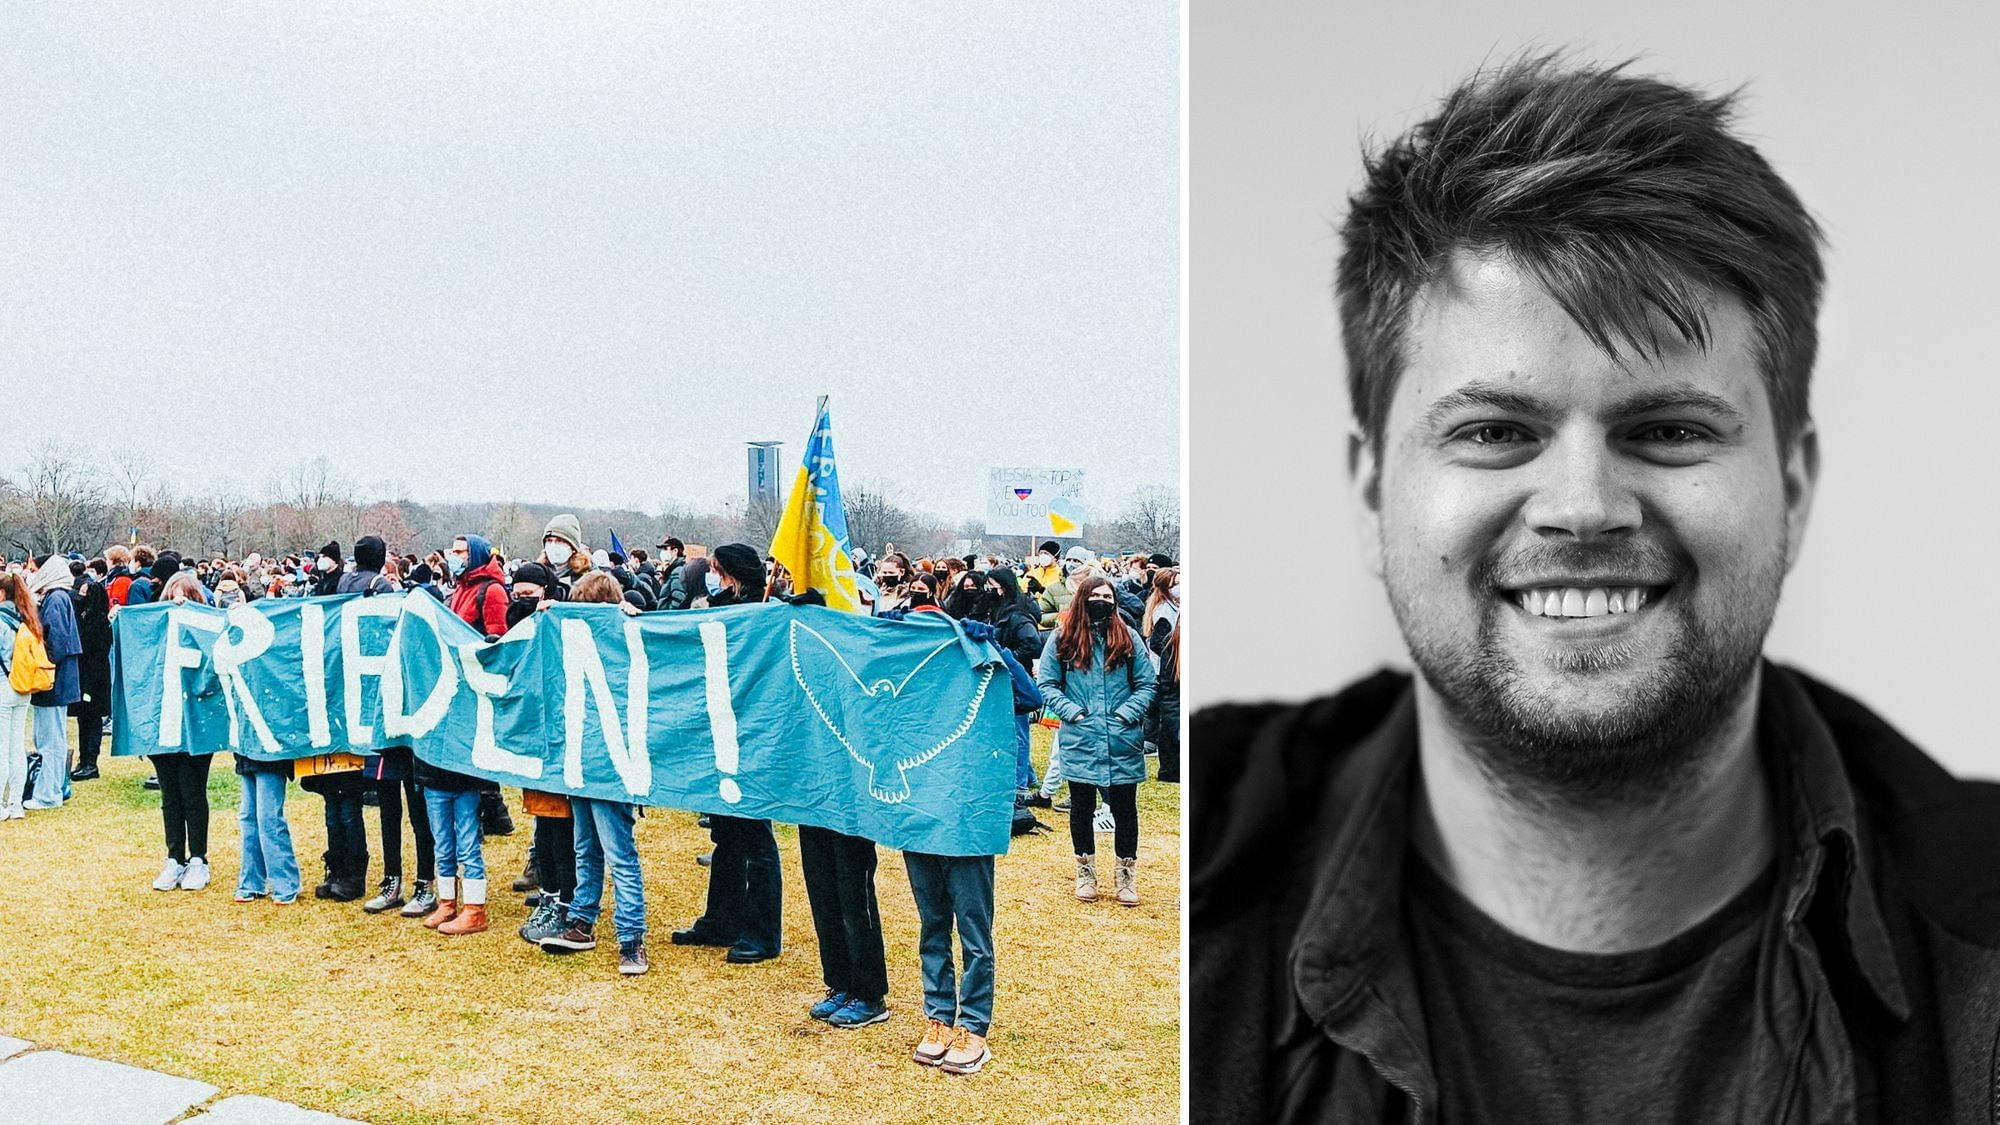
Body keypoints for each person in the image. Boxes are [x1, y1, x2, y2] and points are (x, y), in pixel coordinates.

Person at [1190, 54, 2000, 1122]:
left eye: (1666, 430)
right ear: (1369, 490)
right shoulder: (1188, 891)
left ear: (1792, 489)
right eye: (1493, 432)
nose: (1581, 505)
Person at [672, 542, 783, 965]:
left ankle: (763, 933)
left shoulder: (766, 609)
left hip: (754, 734)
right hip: (719, 729)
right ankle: (722, 920)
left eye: (719, 570)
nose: (714, 576)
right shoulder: (714, 606)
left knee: (755, 836)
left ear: (734, 573)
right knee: (727, 834)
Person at [537, 572, 652, 975]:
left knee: (620, 853)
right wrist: (547, 615)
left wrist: (630, 617)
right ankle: (582, 921)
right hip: (582, 761)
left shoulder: (627, 632)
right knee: (585, 847)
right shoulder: (568, 634)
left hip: (612, 764)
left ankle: (632, 938)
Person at [1036, 575, 1154, 907]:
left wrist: (1126, 714)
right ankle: (1085, 870)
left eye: (1108, 595)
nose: (1102, 600)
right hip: (1081, 737)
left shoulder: (1127, 636)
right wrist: (1072, 712)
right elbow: (1047, 683)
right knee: (1082, 807)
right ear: (1084, 598)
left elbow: (1147, 683)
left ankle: (1125, 875)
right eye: (1096, 595)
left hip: (1120, 738)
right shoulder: (1063, 637)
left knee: (1125, 810)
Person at [414, 533, 507, 936]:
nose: (454, 557)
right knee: (442, 831)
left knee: (466, 831)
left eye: (461, 552)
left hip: (468, 718)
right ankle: (447, 900)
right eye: (452, 552)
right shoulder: (457, 591)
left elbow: (497, 647)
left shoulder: (491, 592)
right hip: (446, 718)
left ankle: (474, 907)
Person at [150, 570, 216, 890]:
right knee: (170, 795)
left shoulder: (209, 627)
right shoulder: (155, 630)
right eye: (173, 596)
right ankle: (174, 857)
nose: (178, 602)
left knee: (193, 792)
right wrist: (118, 621)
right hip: (164, 722)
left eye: (186, 596)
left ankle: (198, 859)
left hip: (196, 724)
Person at [24, 557, 83, 810]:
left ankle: (49, 794)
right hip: (58, 679)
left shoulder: (55, 599)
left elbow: (55, 641)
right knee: (50, 737)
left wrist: (39, 662)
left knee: (50, 740)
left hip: (53, 680)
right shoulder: (58, 597)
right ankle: (55, 788)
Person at [232, 749, 299, 905]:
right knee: (249, 818)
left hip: (271, 757)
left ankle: (286, 884)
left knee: (269, 819)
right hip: (246, 756)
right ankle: (251, 883)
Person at [68, 557, 113, 781]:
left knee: (91, 720)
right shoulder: (91, 621)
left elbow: (94, 651)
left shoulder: (97, 624)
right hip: (88, 676)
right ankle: (84, 759)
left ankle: (90, 762)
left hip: (93, 679)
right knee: (84, 720)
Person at [0, 573, 40, 821]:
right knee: (17, 747)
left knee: (2, 748)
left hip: (3, 685)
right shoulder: (26, 618)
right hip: (22, 687)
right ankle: (16, 803)